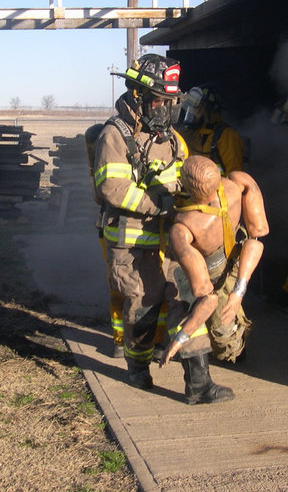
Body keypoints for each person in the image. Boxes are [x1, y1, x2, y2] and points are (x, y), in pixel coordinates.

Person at [92, 53, 190, 390]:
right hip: (131, 240)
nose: (165, 108)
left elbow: (183, 180)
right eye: (159, 99)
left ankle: (172, 360)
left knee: (170, 298)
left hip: (166, 240)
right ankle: (137, 369)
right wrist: (158, 204)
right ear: (139, 96)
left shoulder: (173, 140)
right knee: (139, 302)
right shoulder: (114, 136)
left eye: (170, 100)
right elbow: (113, 188)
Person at [160, 155, 269, 370]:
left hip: (217, 268)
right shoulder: (239, 183)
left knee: (226, 343)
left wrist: (178, 341)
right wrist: (239, 290)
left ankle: (236, 347)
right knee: (225, 310)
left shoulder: (183, 228)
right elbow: (257, 237)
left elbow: (207, 297)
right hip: (237, 259)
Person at [176, 85, 246, 176]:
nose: (191, 113)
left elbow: (235, 177)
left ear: (208, 110)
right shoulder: (187, 134)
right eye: (189, 108)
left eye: (195, 108)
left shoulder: (226, 136)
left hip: (219, 189)